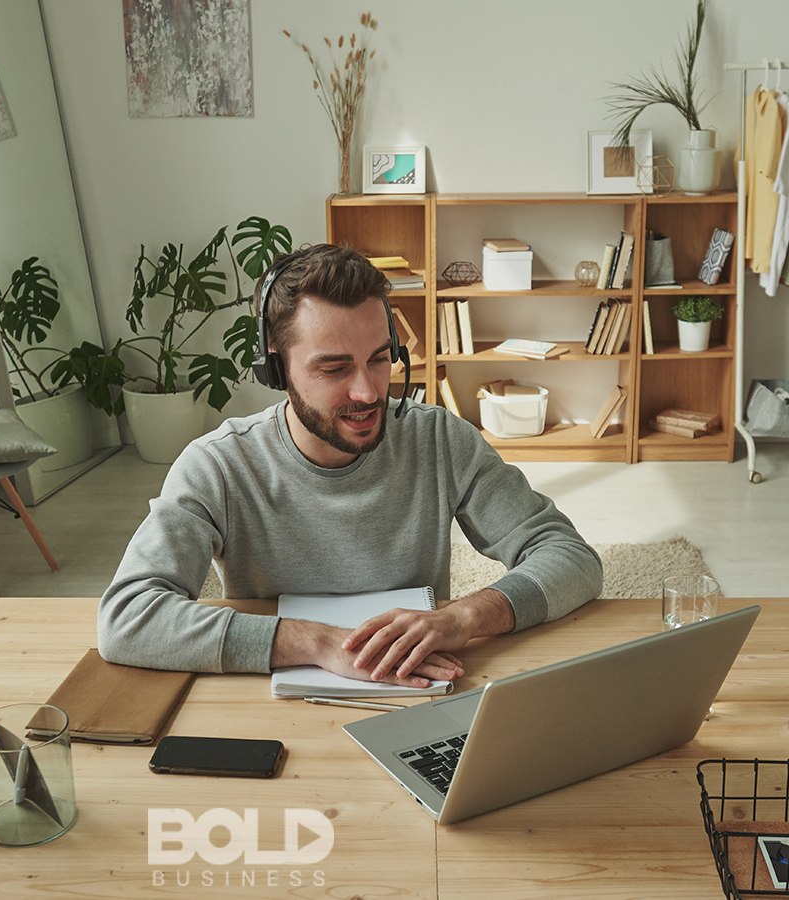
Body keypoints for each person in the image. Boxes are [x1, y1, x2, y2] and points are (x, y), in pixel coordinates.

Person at [98, 244, 602, 686]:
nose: (367, 392)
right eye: (334, 368)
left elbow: (571, 558)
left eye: (380, 359)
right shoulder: (218, 466)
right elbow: (126, 619)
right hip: (272, 700)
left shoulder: (439, 440)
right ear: (276, 365)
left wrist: (466, 617)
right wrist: (316, 643)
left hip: (416, 689)